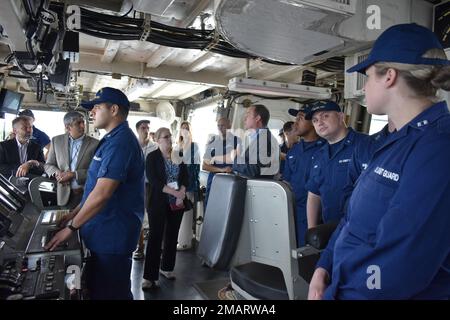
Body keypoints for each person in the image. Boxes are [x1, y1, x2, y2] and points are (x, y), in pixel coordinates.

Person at [308, 23, 450, 300]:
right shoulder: (388, 139)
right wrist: (324, 266)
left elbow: (401, 265)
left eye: (368, 76)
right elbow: (352, 218)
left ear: (389, 77)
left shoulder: (438, 147)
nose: (364, 88)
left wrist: (337, 293)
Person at [45, 87, 145, 300]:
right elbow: (93, 190)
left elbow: (102, 195)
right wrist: (73, 214)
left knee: (112, 294)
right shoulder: (110, 140)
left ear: (114, 110)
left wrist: (71, 228)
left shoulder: (121, 143)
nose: (92, 113)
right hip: (102, 230)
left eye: (97, 107)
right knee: (98, 290)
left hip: (113, 235)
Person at [304, 100, 369, 229]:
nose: (320, 122)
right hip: (330, 229)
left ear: (341, 117)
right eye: (315, 120)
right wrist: (311, 230)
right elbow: (314, 194)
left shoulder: (365, 145)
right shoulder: (319, 155)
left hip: (359, 229)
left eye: (325, 116)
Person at [142, 127, 188, 289]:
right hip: (158, 202)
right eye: (165, 136)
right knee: (155, 237)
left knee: (172, 236)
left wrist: (181, 191)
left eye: (170, 136)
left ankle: (167, 268)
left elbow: (185, 177)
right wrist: (174, 192)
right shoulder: (152, 157)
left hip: (177, 203)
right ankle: (149, 276)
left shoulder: (178, 155)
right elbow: (154, 180)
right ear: (158, 140)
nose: (169, 139)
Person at [283, 106, 324, 246]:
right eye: (296, 119)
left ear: (313, 122)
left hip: (314, 215)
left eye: (300, 118)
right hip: (290, 211)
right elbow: (286, 181)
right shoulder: (294, 150)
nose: (295, 123)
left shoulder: (325, 149)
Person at [44, 111, 99, 208]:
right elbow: (48, 165)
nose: (83, 126)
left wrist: (74, 175)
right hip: (64, 195)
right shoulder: (56, 141)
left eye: (83, 122)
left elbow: (97, 171)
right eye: (78, 123)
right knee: (66, 222)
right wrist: (57, 173)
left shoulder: (95, 144)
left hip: (86, 193)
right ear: (68, 127)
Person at [202, 117, 240, 209]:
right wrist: (221, 170)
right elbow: (204, 166)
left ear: (229, 126)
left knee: (226, 209)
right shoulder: (213, 142)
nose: (220, 128)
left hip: (229, 182)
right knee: (209, 208)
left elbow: (239, 162)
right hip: (214, 181)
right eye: (218, 126)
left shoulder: (237, 141)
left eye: (222, 126)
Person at [232, 104, 279, 178]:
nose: (245, 118)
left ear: (257, 118)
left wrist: (235, 159)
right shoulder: (257, 138)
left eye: (248, 114)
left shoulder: (265, 140)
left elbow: (255, 170)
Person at [133, 119, 157, 260]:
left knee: (154, 217)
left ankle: (154, 249)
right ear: (137, 130)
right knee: (138, 217)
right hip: (136, 185)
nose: (146, 130)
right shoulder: (132, 146)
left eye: (148, 127)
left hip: (152, 185)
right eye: (143, 128)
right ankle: (139, 247)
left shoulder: (155, 147)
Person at [175, 121, 200, 250]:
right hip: (177, 185)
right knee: (178, 213)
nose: (184, 130)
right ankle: (180, 238)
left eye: (187, 128)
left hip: (188, 184)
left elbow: (193, 166)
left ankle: (185, 242)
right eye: (182, 128)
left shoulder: (194, 146)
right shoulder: (177, 146)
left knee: (186, 213)